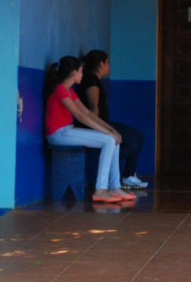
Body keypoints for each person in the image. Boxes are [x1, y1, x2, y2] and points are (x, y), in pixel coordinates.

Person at [44, 56, 136, 203]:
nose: (82, 74)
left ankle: (114, 186)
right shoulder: (60, 89)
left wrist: (111, 129)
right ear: (74, 73)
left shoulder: (69, 90)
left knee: (114, 139)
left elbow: (86, 112)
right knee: (108, 140)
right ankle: (100, 190)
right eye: (81, 71)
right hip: (58, 134)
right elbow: (80, 116)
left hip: (67, 131)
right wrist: (107, 132)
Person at [79, 50, 149, 190]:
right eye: (107, 62)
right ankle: (111, 168)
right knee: (130, 143)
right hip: (97, 125)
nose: (108, 66)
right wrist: (99, 130)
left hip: (104, 123)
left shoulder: (95, 79)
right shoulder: (91, 79)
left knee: (138, 136)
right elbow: (93, 107)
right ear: (101, 64)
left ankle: (128, 175)